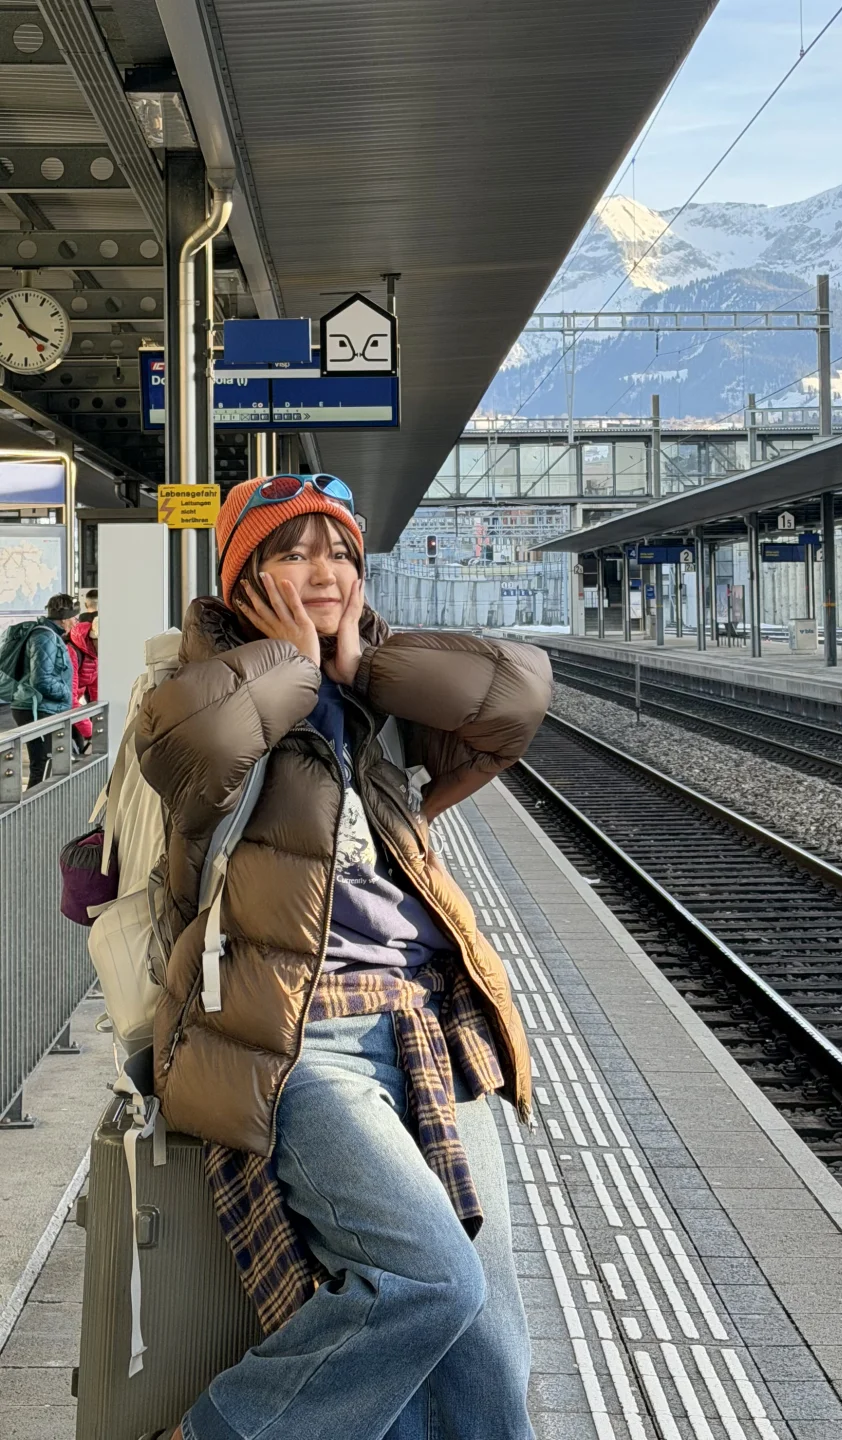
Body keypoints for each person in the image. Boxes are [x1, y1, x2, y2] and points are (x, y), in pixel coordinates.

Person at [134, 474, 551, 1440]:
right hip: (295, 1036)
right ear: (243, 576)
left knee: (490, 1342)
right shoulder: (194, 685)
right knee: (428, 1282)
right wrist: (294, 660)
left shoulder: (378, 697)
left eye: (341, 554)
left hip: (426, 1025)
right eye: (291, 553)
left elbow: (520, 698)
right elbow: (202, 743)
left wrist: (366, 667)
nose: (323, 573)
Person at [1, 594, 77, 787]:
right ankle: (33, 805)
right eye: (73, 617)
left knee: (46, 764)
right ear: (64, 619)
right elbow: (41, 679)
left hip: (38, 706)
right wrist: (67, 693)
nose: (75, 622)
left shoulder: (48, 635)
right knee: (42, 766)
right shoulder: (45, 637)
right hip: (37, 708)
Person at [67, 612, 99, 754]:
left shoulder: (94, 652)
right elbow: (70, 699)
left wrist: (102, 724)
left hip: (67, 706)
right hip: (47, 708)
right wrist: (91, 732)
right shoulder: (71, 651)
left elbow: (96, 693)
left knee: (79, 749)